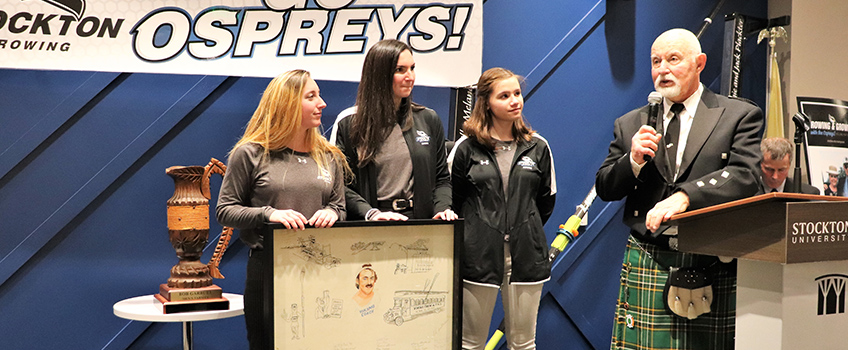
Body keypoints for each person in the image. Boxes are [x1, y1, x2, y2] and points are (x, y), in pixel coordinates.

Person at [595, 28, 763, 350]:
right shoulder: (631, 123)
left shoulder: (738, 115)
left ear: (699, 63)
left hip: (710, 257)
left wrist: (687, 196)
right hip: (649, 257)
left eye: (673, 59)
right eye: (656, 61)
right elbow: (605, 187)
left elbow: (745, 176)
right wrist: (631, 161)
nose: (663, 69)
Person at [216, 69, 349, 350]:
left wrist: (334, 213)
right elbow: (225, 211)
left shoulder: (329, 156)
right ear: (288, 105)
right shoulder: (250, 153)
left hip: (323, 270)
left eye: (319, 95)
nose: (322, 103)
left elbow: (339, 205)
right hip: (270, 269)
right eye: (311, 96)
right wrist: (269, 214)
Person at [450, 67, 556, 350]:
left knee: (523, 344)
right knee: (470, 344)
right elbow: (453, 200)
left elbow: (545, 201)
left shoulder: (538, 147)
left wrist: (524, 227)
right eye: (505, 95)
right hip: (478, 258)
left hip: (526, 258)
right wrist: (477, 233)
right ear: (486, 103)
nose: (515, 101)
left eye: (517, 93)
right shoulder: (465, 149)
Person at [330, 39, 457, 221]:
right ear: (380, 74)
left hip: (420, 223)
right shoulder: (349, 122)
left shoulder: (428, 119)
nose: (410, 76)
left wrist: (442, 209)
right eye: (400, 70)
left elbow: (442, 178)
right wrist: (371, 214)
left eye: (412, 68)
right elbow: (338, 184)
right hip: (373, 225)